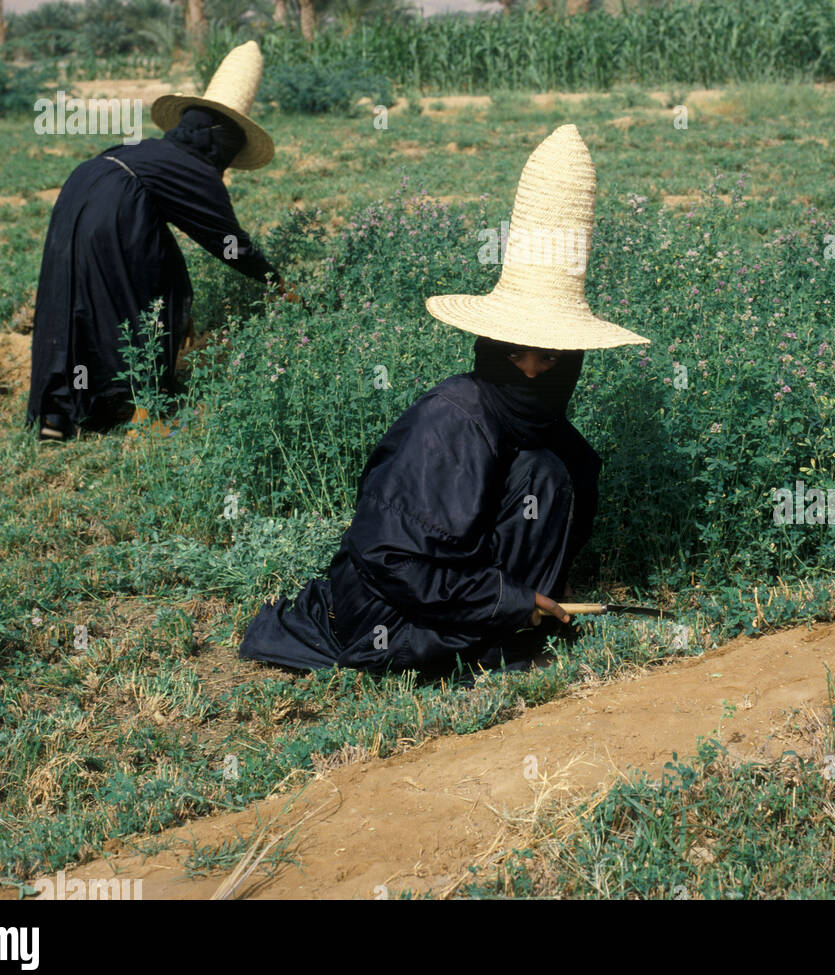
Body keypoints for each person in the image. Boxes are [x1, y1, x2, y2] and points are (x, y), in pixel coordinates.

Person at [238, 122, 649, 679]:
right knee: (546, 474)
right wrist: (506, 600)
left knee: (560, 465)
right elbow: (386, 557)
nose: (530, 368)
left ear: (572, 356)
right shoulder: (451, 420)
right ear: (489, 344)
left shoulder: (552, 434)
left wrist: (541, 585)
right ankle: (481, 644)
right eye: (515, 352)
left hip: (463, 603)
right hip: (386, 617)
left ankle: (498, 632)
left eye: (549, 357)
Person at [26, 42, 282, 441]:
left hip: (78, 190)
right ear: (222, 145)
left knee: (73, 294)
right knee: (155, 293)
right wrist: (277, 282)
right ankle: (146, 408)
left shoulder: (152, 150)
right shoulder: (196, 169)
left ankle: (58, 416)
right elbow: (230, 242)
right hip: (115, 207)